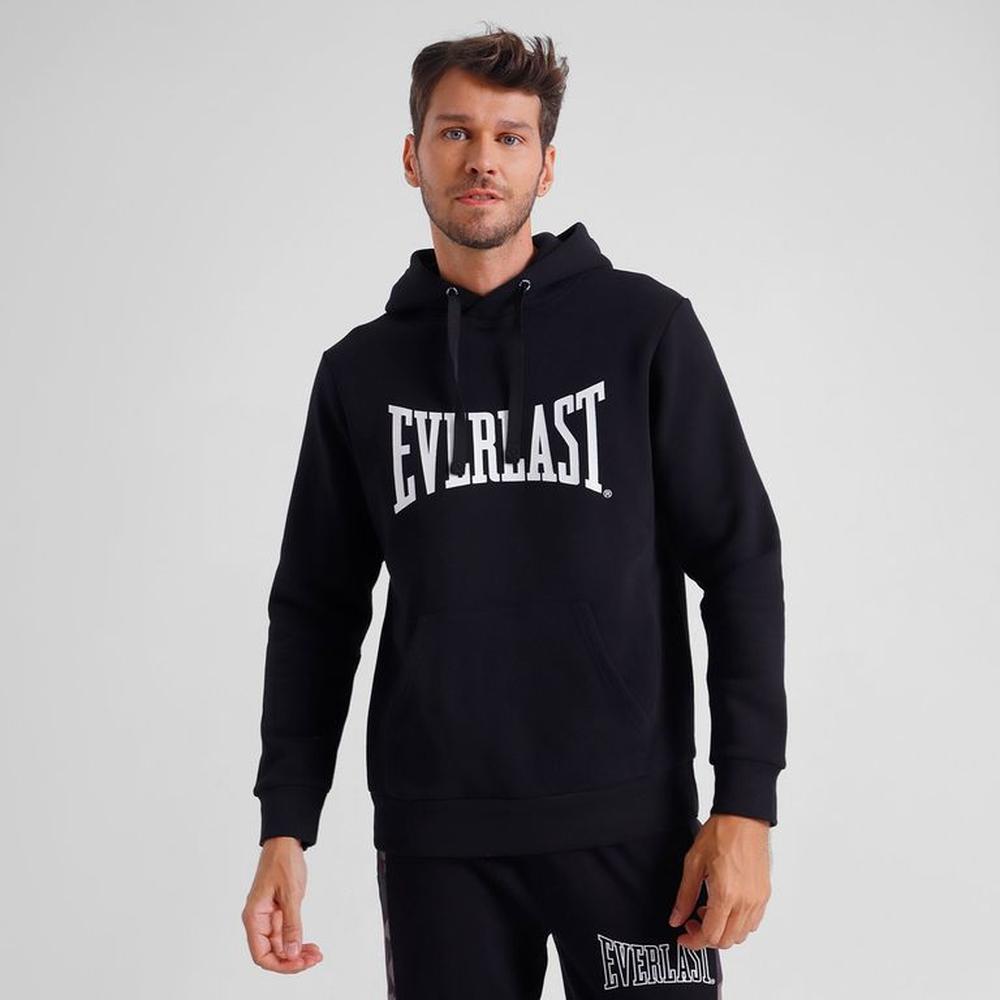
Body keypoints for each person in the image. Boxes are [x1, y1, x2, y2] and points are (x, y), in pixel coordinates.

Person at [241, 25, 786, 999]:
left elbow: (740, 559)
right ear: (412, 156)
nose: (482, 159)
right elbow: (317, 607)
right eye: (454, 132)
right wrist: (286, 822)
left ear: (546, 163)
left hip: (634, 833)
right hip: (438, 843)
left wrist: (745, 804)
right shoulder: (360, 374)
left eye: (509, 136)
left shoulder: (644, 330)